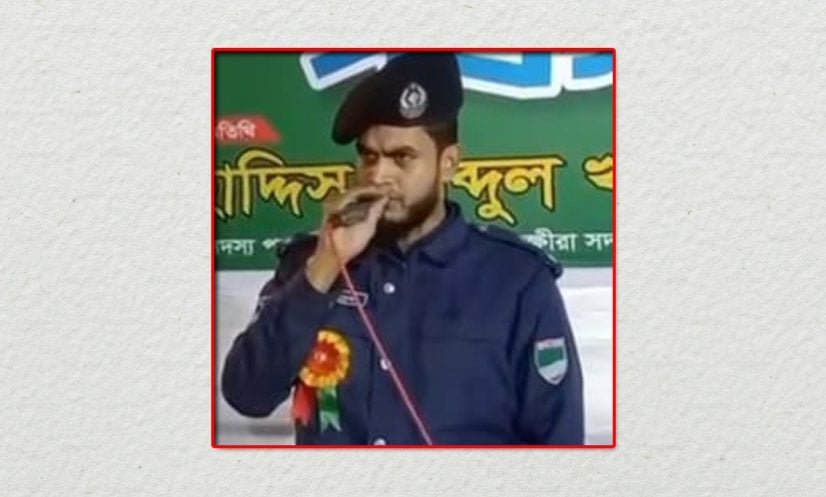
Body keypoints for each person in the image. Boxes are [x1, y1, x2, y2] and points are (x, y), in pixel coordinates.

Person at [221, 51, 584, 445]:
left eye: (402, 158)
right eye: (369, 156)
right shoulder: (311, 263)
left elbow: (558, 440)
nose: (379, 175)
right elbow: (247, 395)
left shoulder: (516, 281)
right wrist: (323, 267)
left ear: (448, 163)